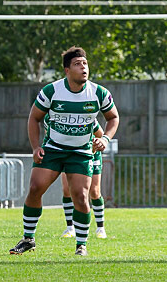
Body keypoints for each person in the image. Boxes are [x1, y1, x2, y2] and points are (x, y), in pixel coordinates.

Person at [9, 46, 119, 257]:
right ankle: (28, 239)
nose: (83, 68)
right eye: (77, 64)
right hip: (53, 150)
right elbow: (34, 118)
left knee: (81, 196)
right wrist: (35, 147)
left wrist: (105, 138)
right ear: (67, 70)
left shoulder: (99, 92)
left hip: (80, 152)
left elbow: (113, 117)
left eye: (85, 64)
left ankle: (81, 244)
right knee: (34, 188)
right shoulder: (52, 91)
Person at [60, 122, 107, 239]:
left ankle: (100, 228)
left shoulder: (87, 116)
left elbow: (100, 134)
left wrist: (96, 144)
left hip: (90, 154)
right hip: (68, 154)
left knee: (94, 191)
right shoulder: (52, 116)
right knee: (67, 190)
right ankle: (70, 228)